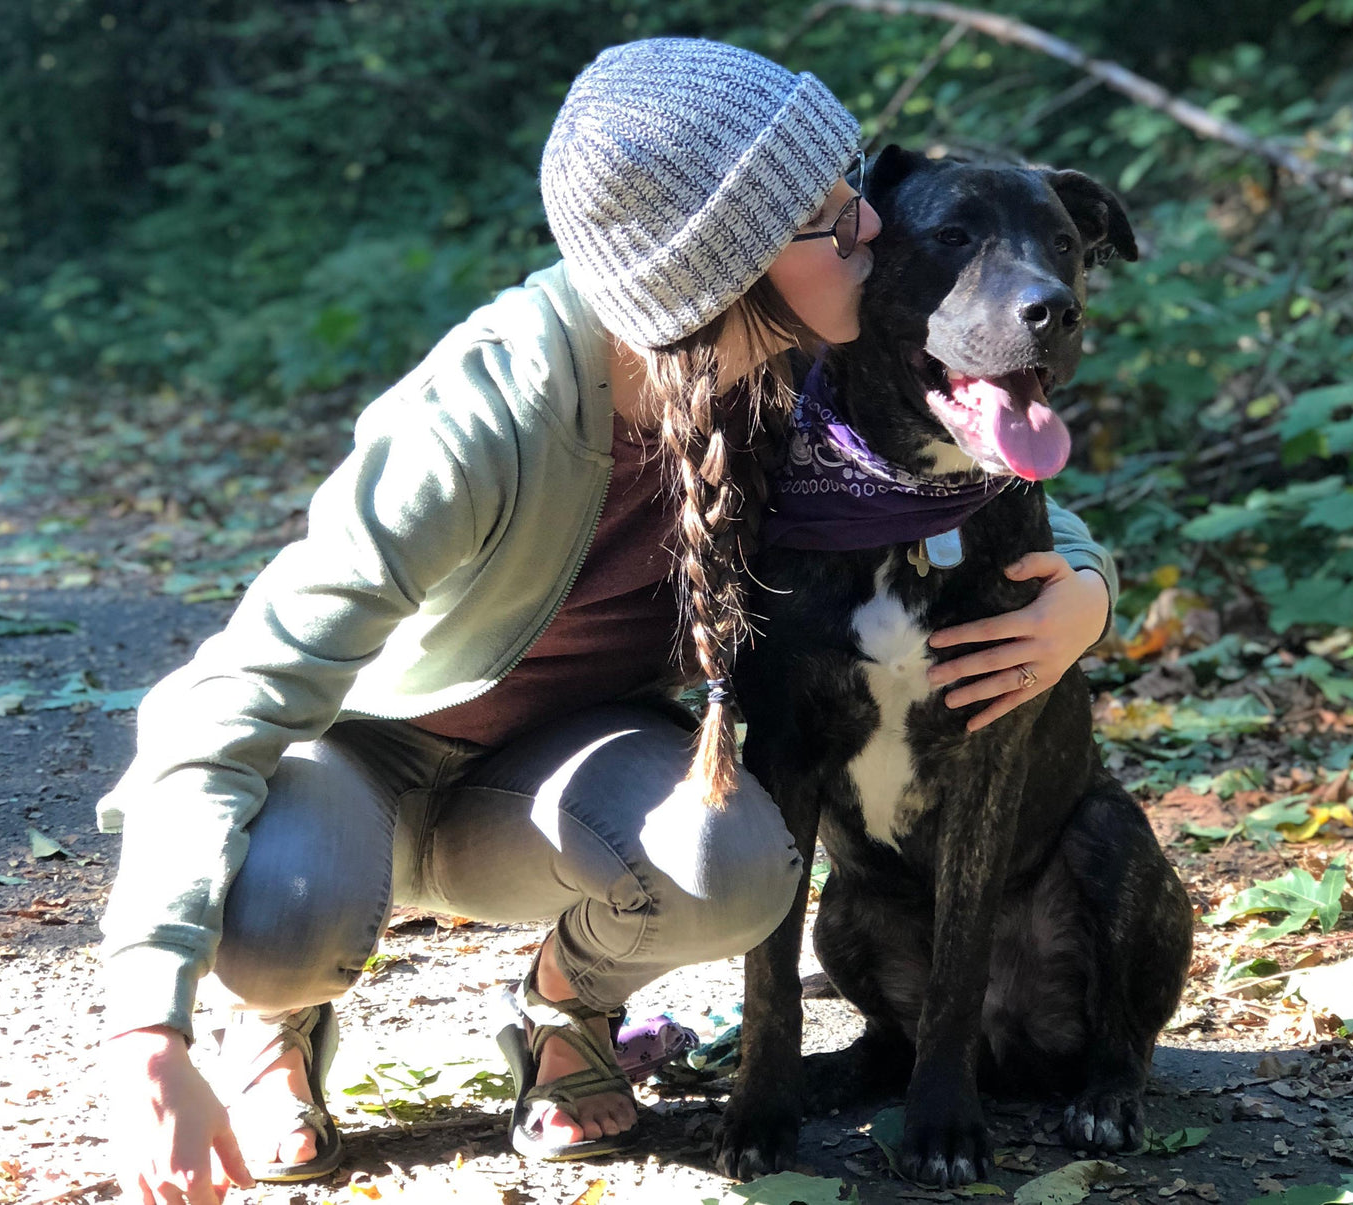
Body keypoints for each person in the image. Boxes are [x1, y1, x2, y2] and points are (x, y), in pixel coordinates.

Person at [96, 36, 1119, 1205]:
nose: (875, 230)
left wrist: (1082, 592)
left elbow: (970, 481)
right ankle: (274, 1023)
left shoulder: (784, 373)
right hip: (366, 766)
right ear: (722, 267)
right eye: (834, 221)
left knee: (735, 857)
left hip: (551, 776)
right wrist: (145, 1034)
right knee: (282, 916)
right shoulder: (478, 418)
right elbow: (220, 704)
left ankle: (562, 1005)